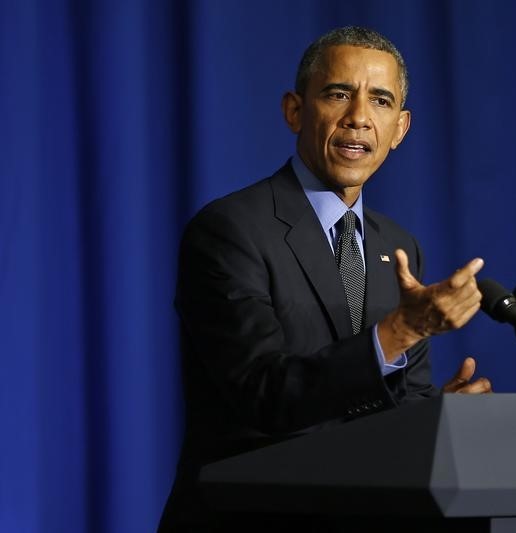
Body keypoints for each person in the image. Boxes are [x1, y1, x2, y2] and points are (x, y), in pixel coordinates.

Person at [159, 26, 490, 532]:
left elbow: (396, 405)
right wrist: (401, 331)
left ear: (400, 129)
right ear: (295, 110)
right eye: (338, 94)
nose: (359, 118)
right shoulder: (229, 230)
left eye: (380, 101)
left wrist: (438, 421)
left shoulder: (396, 247)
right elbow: (263, 394)